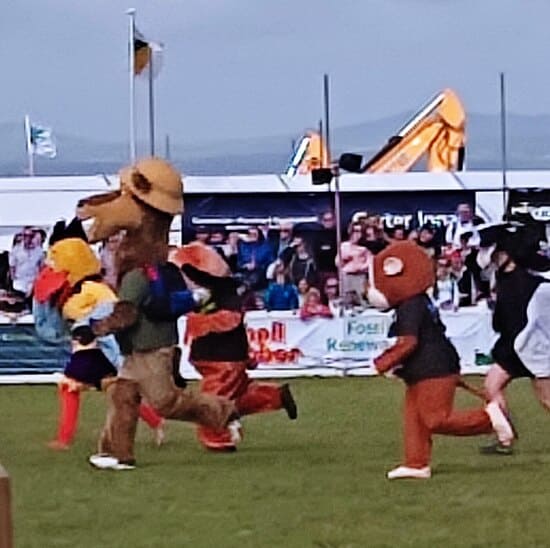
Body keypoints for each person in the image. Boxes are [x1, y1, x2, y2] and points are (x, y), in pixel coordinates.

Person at [336, 222, 371, 303]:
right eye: (355, 231)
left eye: (359, 231)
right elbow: (338, 262)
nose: (356, 234)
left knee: (361, 299)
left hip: (360, 277)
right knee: (347, 300)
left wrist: (360, 267)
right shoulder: (344, 246)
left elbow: (369, 262)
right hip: (347, 276)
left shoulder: (365, 248)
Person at [9, 226, 44, 301]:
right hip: (19, 282)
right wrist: (13, 277)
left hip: (33, 281)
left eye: (31, 236)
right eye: (25, 235)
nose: (28, 238)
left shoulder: (39, 251)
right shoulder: (16, 250)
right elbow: (12, 265)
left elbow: (41, 266)